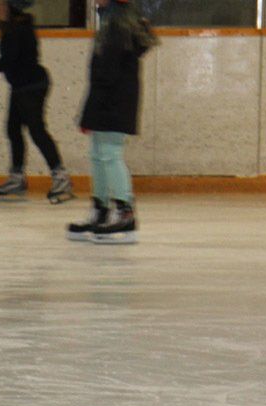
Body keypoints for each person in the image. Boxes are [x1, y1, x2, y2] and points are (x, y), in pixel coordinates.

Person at [0, 0, 72, 203]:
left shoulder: (19, 28)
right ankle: (17, 177)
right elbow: (8, 61)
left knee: (36, 129)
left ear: (11, 6)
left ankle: (60, 176)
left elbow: (9, 60)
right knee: (13, 129)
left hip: (32, 85)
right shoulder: (12, 27)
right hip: (21, 85)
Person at [67, 0, 156, 244]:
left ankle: (125, 214)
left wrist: (92, 107)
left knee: (109, 154)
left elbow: (107, 71)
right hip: (109, 99)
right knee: (99, 154)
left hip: (114, 101)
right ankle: (102, 209)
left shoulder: (118, 22)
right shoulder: (112, 18)